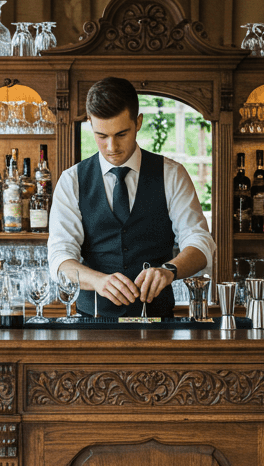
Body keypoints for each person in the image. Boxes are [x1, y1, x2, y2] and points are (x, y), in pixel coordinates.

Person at [47, 76, 216, 317]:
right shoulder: (71, 180)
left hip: (158, 321)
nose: (111, 147)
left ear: (138, 122)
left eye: (121, 134)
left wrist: (169, 270)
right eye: (101, 136)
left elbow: (200, 243)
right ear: (89, 123)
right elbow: (59, 259)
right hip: (92, 322)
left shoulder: (172, 174)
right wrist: (97, 281)